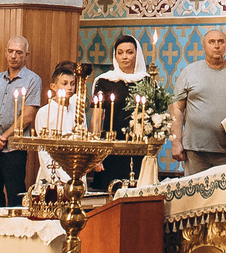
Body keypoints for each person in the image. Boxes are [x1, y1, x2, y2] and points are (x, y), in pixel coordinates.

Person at [172, 29, 226, 175]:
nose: (217, 46)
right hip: (196, 151)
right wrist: (176, 142)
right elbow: (177, 108)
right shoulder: (189, 72)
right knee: (194, 195)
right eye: (212, 42)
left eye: (221, 42)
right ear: (204, 46)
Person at [0, 37, 45, 211]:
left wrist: (2, 138)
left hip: (14, 146)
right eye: (10, 51)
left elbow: (28, 116)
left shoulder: (33, 80)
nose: (13, 56)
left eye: (19, 52)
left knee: (15, 193)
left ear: (26, 55)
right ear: (6, 52)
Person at [88, 35, 149, 190]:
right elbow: (96, 119)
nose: (125, 57)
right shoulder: (105, 81)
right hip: (110, 145)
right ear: (115, 55)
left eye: (129, 52)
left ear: (137, 54)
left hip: (137, 146)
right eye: (120, 52)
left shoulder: (146, 81)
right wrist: (95, 153)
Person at [31, 62, 84, 191]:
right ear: (53, 86)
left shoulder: (78, 110)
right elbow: (43, 148)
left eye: (72, 84)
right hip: (53, 172)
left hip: (76, 172)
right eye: (64, 84)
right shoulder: (45, 112)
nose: (70, 88)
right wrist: (53, 177)